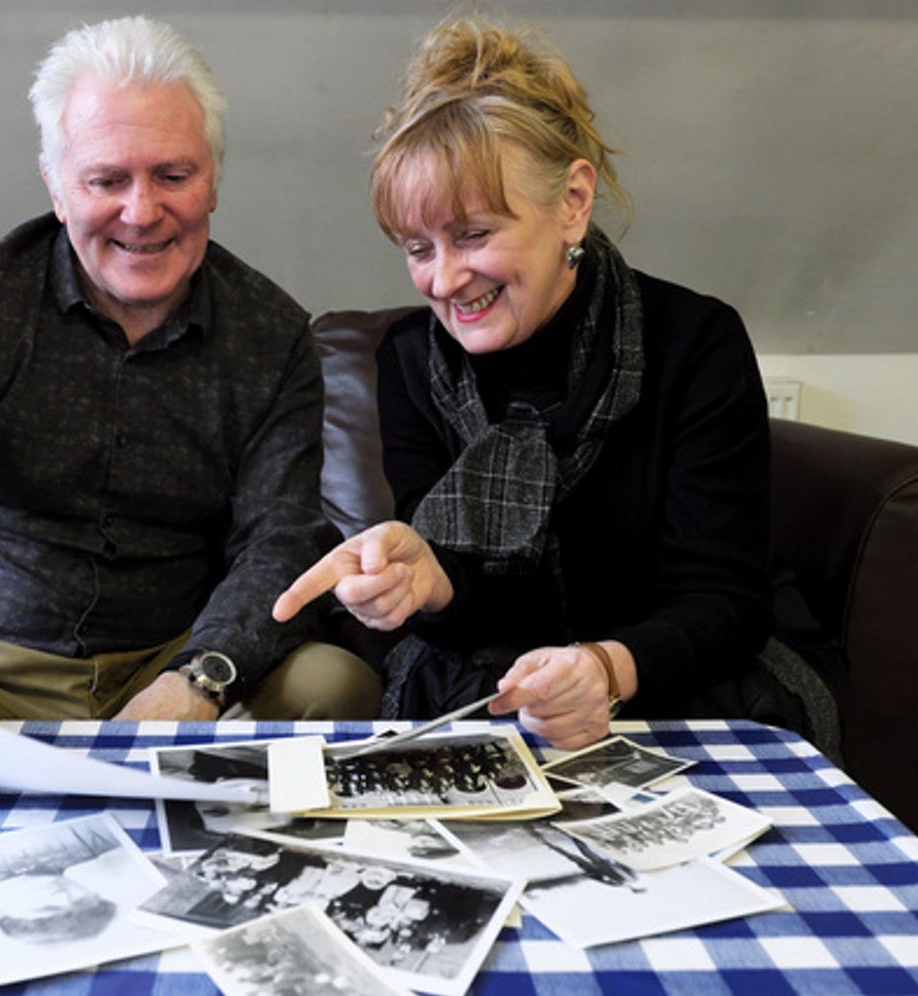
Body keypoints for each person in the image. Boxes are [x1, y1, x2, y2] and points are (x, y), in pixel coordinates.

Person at [0, 16, 380, 801]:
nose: (141, 212)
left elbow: (278, 541)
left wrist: (199, 680)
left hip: (173, 654)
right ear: (55, 182)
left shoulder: (273, 334)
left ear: (213, 179)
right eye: (107, 180)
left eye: (172, 175)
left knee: (333, 682)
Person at [274, 16, 772, 750]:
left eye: (473, 234)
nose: (445, 280)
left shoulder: (695, 343)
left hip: (669, 683)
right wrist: (431, 580)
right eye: (418, 248)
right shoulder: (410, 361)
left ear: (573, 202)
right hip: (483, 683)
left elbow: (726, 601)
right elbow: (471, 612)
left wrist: (602, 668)